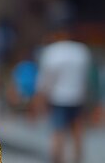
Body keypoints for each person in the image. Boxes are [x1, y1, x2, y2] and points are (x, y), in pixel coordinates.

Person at [35, 27, 92, 163]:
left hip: (59, 97)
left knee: (57, 133)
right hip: (78, 96)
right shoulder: (82, 51)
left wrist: (40, 99)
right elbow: (87, 77)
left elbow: (45, 80)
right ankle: (78, 159)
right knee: (77, 132)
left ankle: (57, 160)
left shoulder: (52, 51)